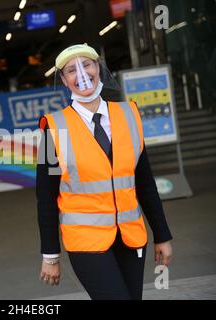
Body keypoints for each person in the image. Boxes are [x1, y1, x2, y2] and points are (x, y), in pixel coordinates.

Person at [36, 44, 173, 300]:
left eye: (86, 64)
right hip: (86, 241)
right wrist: (50, 255)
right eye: (71, 70)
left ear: (97, 68)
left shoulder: (129, 114)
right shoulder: (51, 129)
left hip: (131, 237)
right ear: (64, 81)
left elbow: (145, 183)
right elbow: (45, 198)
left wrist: (162, 236)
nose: (81, 74)